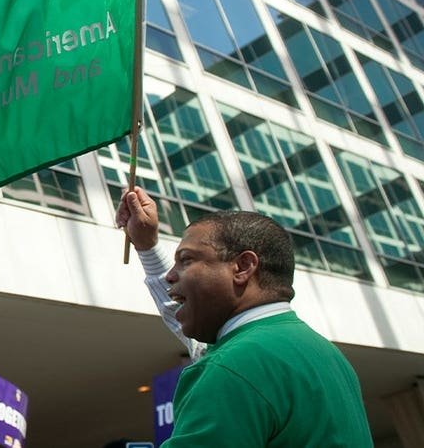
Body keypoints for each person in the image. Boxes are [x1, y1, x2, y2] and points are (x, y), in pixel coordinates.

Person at [116, 186, 372, 447]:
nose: (171, 276)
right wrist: (147, 247)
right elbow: (188, 316)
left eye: (186, 260)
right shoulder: (323, 353)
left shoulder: (231, 365)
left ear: (243, 266)